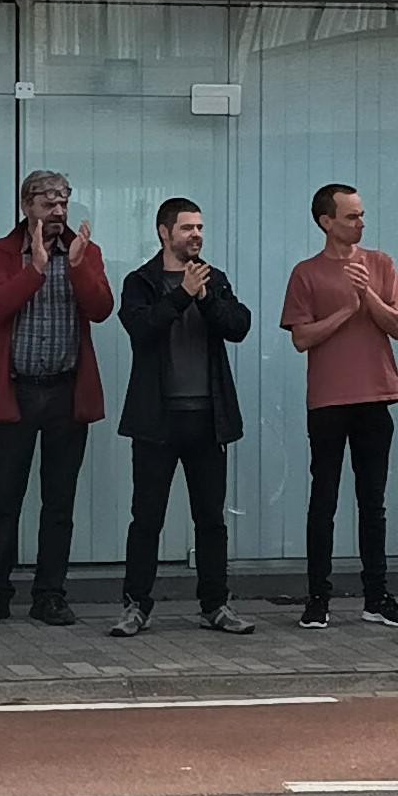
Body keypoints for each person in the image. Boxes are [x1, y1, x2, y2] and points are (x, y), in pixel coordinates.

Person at [0, 170, 114, 628]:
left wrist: (77, 265)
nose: (58, 211)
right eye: (48, 202)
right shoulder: (1, 252)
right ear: (26, 205)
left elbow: (102, 309)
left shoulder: (82, 253)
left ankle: (50, 593)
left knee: (59, 500)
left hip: (66, 391)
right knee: (4, 498)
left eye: (64, 202)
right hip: (18, 391)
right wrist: (35, 268)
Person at [109, 197, 256, 638]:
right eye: (187, 228)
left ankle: (215, 605)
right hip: (157, 418)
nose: (196, 235)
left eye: (200, 227)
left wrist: (206, 296)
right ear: (164, 232)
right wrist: (180, 295)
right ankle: (136, 606)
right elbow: (142, 330)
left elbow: (239, 326)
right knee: (146, 516)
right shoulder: (141, 281)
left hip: (208, 417)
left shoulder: (216, 279)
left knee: (210, 517)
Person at [280, 183, 398, 631]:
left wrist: (367, 297)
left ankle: (377, 596)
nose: (360, 222)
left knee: (372, 502)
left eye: (361, 215)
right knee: (325, 500)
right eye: (351, 216)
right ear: (326, 222)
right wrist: (344, 312)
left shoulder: (381, 264)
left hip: (375, 395)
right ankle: (318, 597)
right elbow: (301, 338)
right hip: (328, 400)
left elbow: (396, 326)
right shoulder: (306, 273)